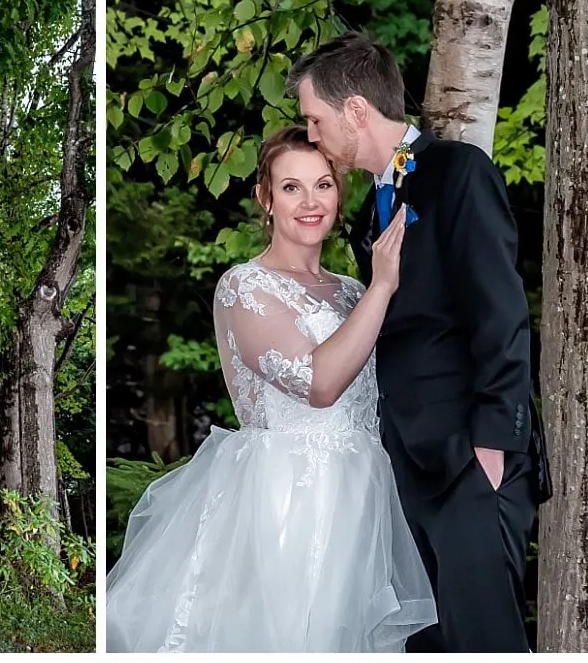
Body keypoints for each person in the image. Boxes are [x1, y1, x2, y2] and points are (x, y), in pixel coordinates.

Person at [106, 126, 436, 652]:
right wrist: (384, 286)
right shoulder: (244, 286)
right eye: (291, 187)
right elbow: (320, 384)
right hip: (283, 497)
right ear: (265, 196)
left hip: (361, 495)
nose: (310, 202)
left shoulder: (353, 290)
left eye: (323, 185)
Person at [288, 31, 551, 653]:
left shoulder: (459, 173)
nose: (313, 136)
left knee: (485, 641)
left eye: (316, 120)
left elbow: (501, 314)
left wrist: (493, 445)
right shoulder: (378, 202)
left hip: (469, 460)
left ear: (355, 110)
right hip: (409, 465)